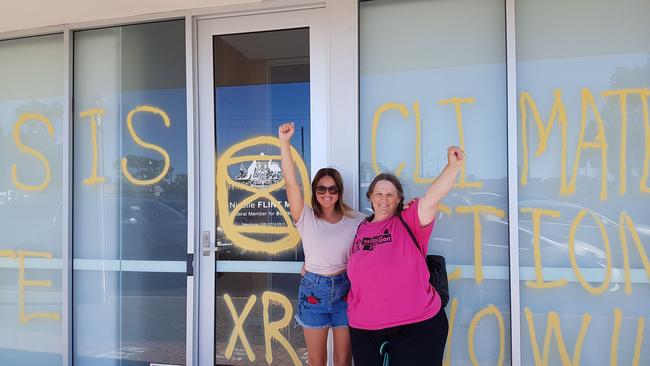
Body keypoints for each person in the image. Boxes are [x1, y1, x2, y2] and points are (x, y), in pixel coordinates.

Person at [347, 146, 464, 366]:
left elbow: (432, 198)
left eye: (390, 194)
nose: (384, 199)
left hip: (416, 326)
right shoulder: (361, 227)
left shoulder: (409, 222)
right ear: (370, 197)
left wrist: (452, 167)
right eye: (378, 194)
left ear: (399, 198)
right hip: (365, 329)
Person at [279, 122, 364, 366]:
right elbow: (290, 183)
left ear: (340, 191)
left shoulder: (357, 220)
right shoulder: (305, 216)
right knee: (316, 361)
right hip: (313, 291)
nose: (327, 194)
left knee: (343, 360)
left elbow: (376, 243)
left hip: (346, 290)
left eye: (332, 189)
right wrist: (284, 144)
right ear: (315, 191)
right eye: (321, 189)